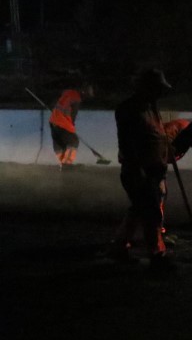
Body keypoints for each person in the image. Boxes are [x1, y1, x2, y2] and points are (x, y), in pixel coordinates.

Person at [110, 69, 175, 271]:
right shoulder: (130, 109)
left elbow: (156, 136)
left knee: (138, 210)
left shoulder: (149, 107)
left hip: (151, 170)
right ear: (147, 88)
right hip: (140, 171)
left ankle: (119, 248)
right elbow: (130, 144)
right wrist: (139, 170)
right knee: (151, 213)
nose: (160, 93)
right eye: (157, 88)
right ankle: (157, 254)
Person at [49, 84, 94, 168]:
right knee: (74, 141)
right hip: (63, 123)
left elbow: (58, 104)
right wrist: (72, 128)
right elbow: (73, 116)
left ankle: (62, 163)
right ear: (84, 92)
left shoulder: (67, 93)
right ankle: (67, 164)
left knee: (59, 143)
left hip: (53, 121)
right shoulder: (76, 99)